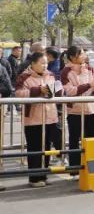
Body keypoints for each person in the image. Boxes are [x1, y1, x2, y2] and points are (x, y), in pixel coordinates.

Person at [14, 52, 59, 187]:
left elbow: (57, 89)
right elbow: (19, 94)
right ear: (33, 64)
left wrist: (57, 91)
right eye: (42, 63)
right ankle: (34, 178)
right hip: (33, 118)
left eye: (46, 63)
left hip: (50, 117)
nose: (45, 66)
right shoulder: (24, 77)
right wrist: (38, 90)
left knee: (46, 148)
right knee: (34, 148)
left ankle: (43, 175)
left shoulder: (50, 75)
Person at [60, 45, 94, 168]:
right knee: (74, 140)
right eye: (81, 54)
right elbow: (70, 91)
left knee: (92, 139)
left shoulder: (90, 69)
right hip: (75, 111)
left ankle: (91, 166)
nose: (84, 56)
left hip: (92, 110)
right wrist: (88, 85)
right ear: (73, 57)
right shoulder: (66, 72)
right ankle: (74, 168)